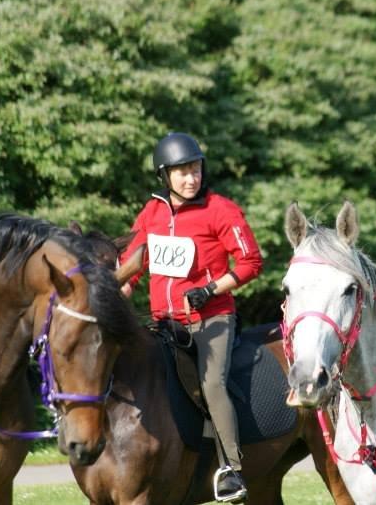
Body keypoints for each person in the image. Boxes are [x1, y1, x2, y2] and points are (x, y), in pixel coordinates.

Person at [118, 132, 263, 502]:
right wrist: (120, 291)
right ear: (164, 176)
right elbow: (132, 264)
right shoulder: (151, 214)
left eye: (195, 169)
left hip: (210, 318)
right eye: (182, 172)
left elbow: (250, 262)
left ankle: (232, 470)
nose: (190, 178)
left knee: (212, 385)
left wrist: (210, 289)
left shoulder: (220, 209)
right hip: (164, 323)